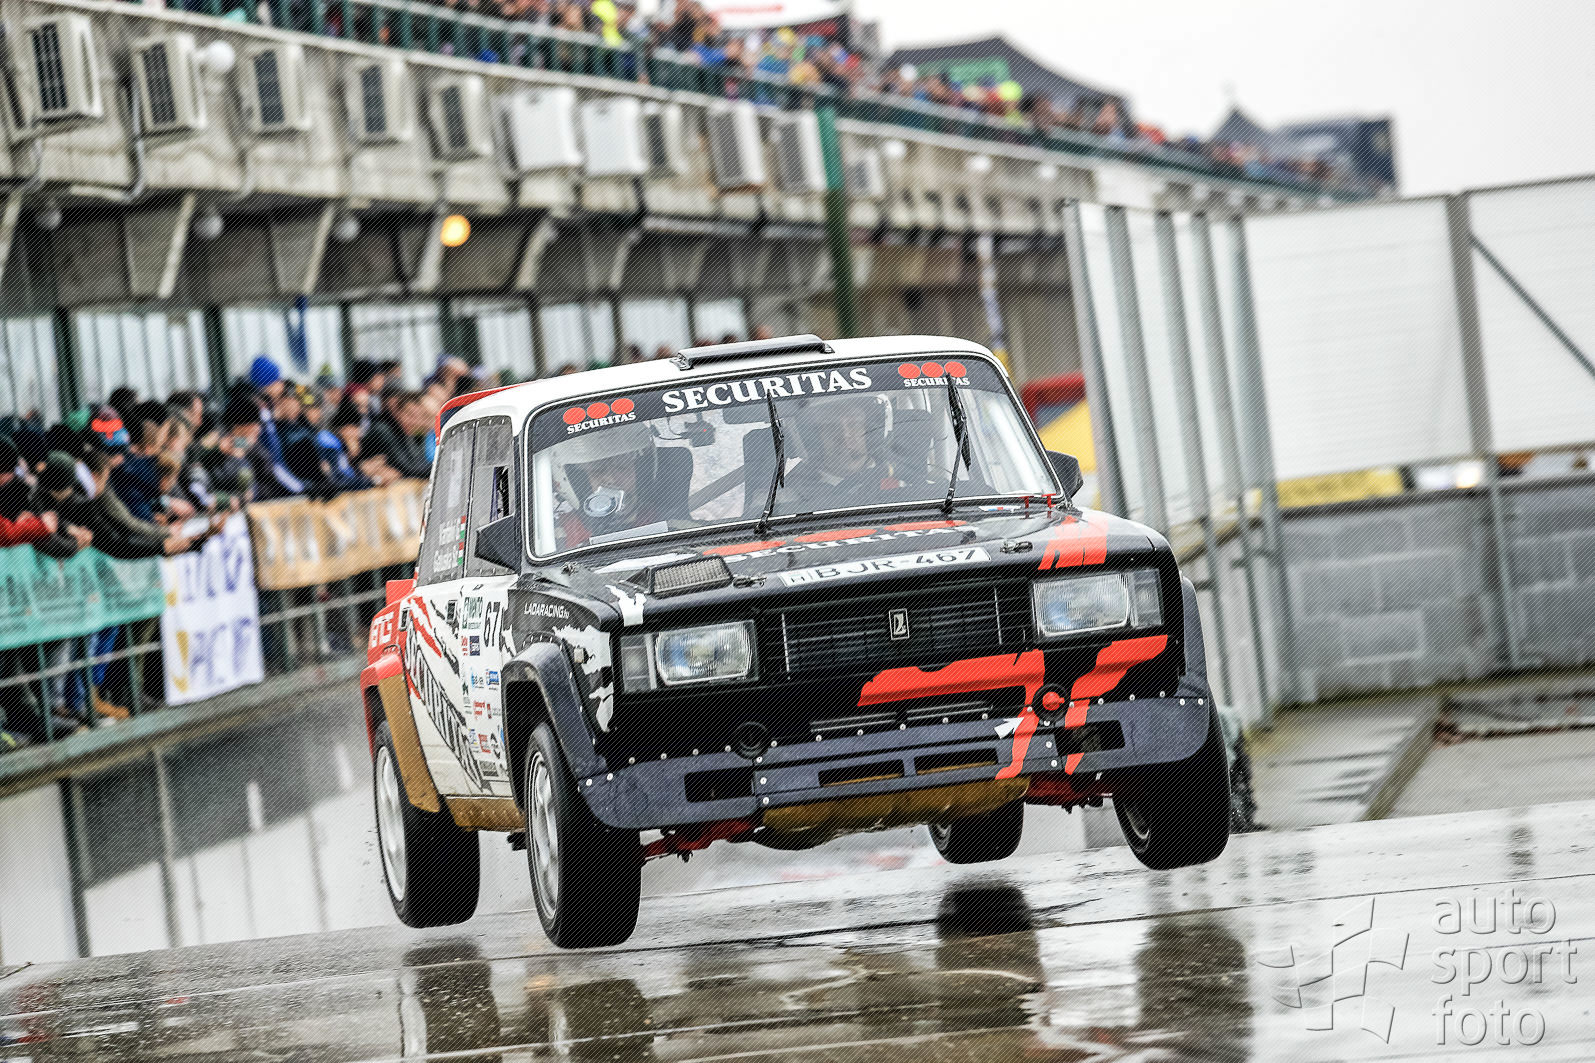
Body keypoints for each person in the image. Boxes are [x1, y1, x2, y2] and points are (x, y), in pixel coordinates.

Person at [550, 423, 691, 549]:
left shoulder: (675, 527)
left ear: (642, 471)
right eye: (597, 469)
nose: (612, 479)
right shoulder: (551, 540)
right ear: (575, 481)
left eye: (622, 465)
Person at [363, 390, 434, 480]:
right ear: (398, 412)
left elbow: (419, 460)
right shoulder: (383, 430)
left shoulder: (410, 431)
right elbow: (408, 469)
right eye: (409, 415)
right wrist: (441, 466)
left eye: (418, 417)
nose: (414, 421)